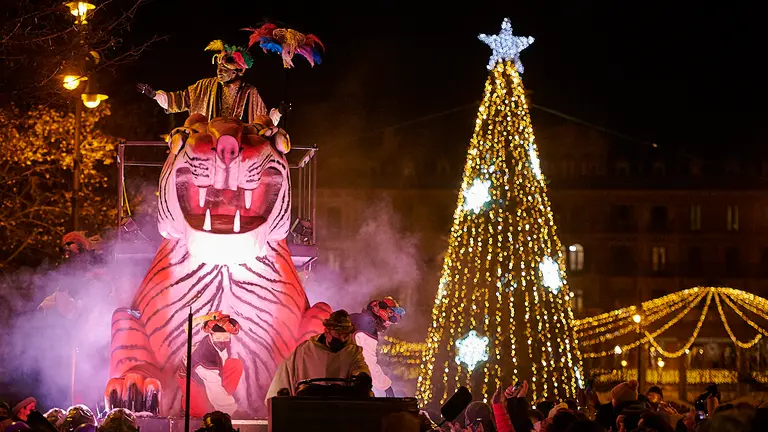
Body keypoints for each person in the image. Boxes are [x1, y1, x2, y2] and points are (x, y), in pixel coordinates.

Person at [137, 40, 280, 125]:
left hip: (239, 149)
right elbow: (180, 100)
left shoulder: (250, 92)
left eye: (224, 69)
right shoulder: (204, 86)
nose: (219, 71)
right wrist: (155, 95)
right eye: (218, 68)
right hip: (207, 143)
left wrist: (279, 113)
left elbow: (263, 122)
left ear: (236, 72)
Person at [264, 310, 372, 402]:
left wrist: (362, 375)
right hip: (309, 408)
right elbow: (286, 373)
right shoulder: (305, 350)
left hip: (340, 409)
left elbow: (359, 366)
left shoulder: (352, 351)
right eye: (338, 334)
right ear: (326, 332)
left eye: (345, 335)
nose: (342, 339)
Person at [177, 311, 244, 417]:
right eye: (218, 337)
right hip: (191, 379)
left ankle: (220, 404)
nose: (222, 340)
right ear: (211, 335)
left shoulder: (224, 344)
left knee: (235, 365)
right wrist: (231, 412)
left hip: (213, 375)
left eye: (226, 337)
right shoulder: (205, 354)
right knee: (201, 412)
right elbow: (214, 383)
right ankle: (191, 408)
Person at [349, 297, 405, 397]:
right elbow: (369, 363)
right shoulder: (368, 326)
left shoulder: (357, 317)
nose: (388, 323)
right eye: (390, 315)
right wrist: (386, 386)